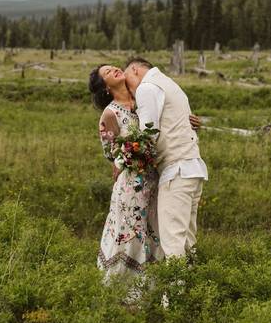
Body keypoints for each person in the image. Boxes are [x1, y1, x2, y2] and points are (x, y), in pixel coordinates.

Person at [88, 64, 201, 283]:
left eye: (112, 67)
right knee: (131, 234)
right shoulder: (110, 113)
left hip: (158, 178)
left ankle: (154, 287)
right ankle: (123, 291)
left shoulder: (144, 97)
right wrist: (131, 154)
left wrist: (189, 122)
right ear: (105, 88)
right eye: (107, 73)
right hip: (132, 185)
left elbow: (166, 123)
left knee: (157, 234)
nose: (114, 70)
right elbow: (111, 153)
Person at [123, 57, 207, 260]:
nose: (128, 88)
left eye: (127, 80)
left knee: (172, 244)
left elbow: (148, 135)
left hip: (176, 171)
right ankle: (193, 288)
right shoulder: (170, 83)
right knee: (187, 241)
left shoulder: (147, 87)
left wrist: (124, 159)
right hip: (193, 168)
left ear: (134, 69)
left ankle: (174, 292)